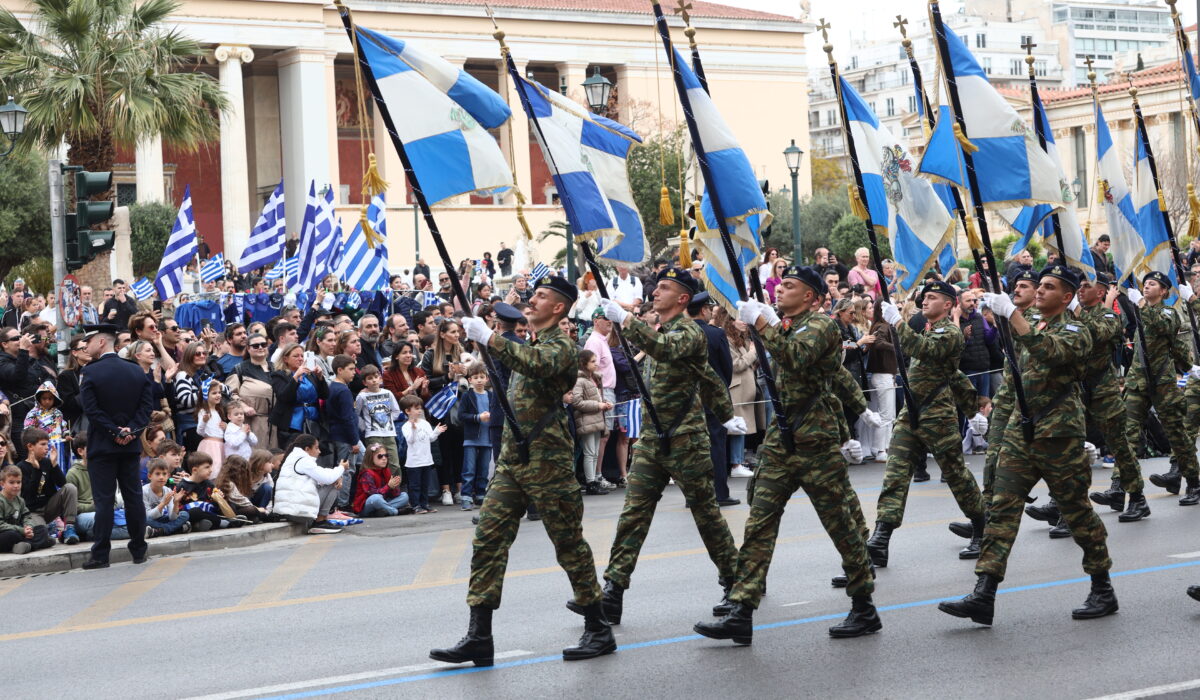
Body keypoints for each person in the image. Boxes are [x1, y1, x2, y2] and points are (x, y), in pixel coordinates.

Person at [697, 266, 883, 645]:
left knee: (840, 524)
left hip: (815, 441)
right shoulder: (787, 326)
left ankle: (864, 605)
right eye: (780, 285)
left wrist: (761, 324)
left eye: (789, 286)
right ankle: (742, 609)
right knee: (759, 523)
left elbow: (797, 357)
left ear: (811, 296)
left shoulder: (822, 326)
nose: (780, 290)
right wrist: (767, 324)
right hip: (782, 442)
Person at [435, 275, 614, 666]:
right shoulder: (529, 343)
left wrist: (491, 338)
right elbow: (519, 361)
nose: (532, 301)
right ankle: (479, 637)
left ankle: (599, 628)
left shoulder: (562, 347)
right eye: (533, 295)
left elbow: (537, 364)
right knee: (488, 539)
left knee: (568, 543)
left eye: (541, 296)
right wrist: (486, 342)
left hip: (548, 460)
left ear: (559, 308)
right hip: (514, 459)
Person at [941, 266, 1116, 625]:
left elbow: (1049, 352)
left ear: (1066, 297)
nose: (1040, 291)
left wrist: (1012, 314)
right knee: (1001, 510)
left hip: (1058, 434)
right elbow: (1014, 355)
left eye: (1049, 287)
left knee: (1077, 512)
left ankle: (1102, 587)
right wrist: (1003, 314)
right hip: (1022, 432)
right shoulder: (1032, 321)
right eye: (1041, 285)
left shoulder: (1076, 330)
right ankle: (984, 593)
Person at [593, 269, 744, 625]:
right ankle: (612, 592)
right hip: (652, 441)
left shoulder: (689, 333)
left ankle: (735, 583)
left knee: (706, 516)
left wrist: (625, 320)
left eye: (664, 288)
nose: (655, 292)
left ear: (682, 299)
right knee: (633, 516)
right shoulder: (659, 332)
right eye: (656, 286)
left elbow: (666, 351)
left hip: (685, 441)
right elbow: (707, 377)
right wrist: (725, 414)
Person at [867, 281, 986, 566]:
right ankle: (881, 539)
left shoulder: (950, 333)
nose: (924, 301)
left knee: (955, 474)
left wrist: (898, 323)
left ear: (948, 305)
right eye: (924, 297)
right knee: (895, 475)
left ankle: (982, 528)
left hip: (938, 416)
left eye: (932, 297)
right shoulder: (928, 330)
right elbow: (954, 375)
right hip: (911, 414)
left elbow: (923, 350)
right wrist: (972, 410)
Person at [78, 323, 154, 569]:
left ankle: (101, 554)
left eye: (89, 341)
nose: (85, 346)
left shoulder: (90, 372)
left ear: (101, 342)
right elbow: (146, 408)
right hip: (129, 446)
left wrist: (113, 431)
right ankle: (139, 549)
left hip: (103, 446)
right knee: (133, 498)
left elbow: (91, 410)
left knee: (104, 501)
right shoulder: (135, 370)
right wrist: (130, 431)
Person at [1075, 273, 1150, 522]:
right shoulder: (1071, 316)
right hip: (1077, 392)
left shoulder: (1107, 316)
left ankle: (1137, 498)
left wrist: (1076, 312)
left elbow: (1099, 333)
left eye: (1086, 286)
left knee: (1120, 447)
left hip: (1103, 392)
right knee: (1068, 450)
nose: (1080, 290)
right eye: (1078, 286)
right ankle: (1063, 508)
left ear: (1100, 293)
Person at [689, 293, 739, 506]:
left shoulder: (679, 334)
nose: (710, 312)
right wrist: (720, 390)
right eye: (709, 308)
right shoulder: (715, 333)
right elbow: (727, 368)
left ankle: (694, 495)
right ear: (703, 310)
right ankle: (719, 493)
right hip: (714, 398)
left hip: (689, 399)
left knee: (692, 447)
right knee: (716, 445)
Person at [421, 320, 466, 506]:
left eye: (457, 332)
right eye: (452, 332)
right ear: (442, 334)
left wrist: (465, 372)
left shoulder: (461, 353)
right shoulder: (431, 355)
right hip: (440, 406)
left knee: (460, 448)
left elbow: (474, 376)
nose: (456, 335)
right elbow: (425, 381)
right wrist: (447, 377)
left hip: (459, 404)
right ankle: (446, 488)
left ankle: (460, 488)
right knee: (444, 449)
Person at [17, 427, 79, 544]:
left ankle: (69, 528)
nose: (47, 447)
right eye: (43, 444)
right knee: (42, 534)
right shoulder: (21, 467)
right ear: (30, 446)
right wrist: (36, 470)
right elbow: (29, 497)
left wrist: (54, 464)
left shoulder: (47, 462)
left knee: (70, 488)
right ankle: (53, 534)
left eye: (47, 444)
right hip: (32, 512)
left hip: (49, 507)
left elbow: (62, 484)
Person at [274, 435, 345, 533]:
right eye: (316, 448)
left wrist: (337, 476)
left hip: (290, 510)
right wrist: (341, 468)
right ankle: (320, 521)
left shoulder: (295, 458)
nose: (319, 451)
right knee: (332, 483)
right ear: (307, 449)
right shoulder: (303, 460)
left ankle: (321, 520)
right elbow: (327, 478)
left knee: (334, 479)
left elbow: (322, 477)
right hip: (298, 512)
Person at [270, 342, 328, 450]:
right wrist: (296, 377)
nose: (300, 359)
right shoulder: (279, 375)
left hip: (313, 421)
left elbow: (325, 395)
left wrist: (320, 377)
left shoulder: (309, 374)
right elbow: (284, 397)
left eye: (302, 356)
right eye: (296, 356)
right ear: (285, 359)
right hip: (292, 423)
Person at [569, 350, 610, 495]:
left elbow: (596, 398)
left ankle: (593, 481)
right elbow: (577, 402)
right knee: (590, 452)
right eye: (592, 361)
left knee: (594, 453)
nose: (596, 363)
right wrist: (598, 405)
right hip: (586, 420)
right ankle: (590, 482)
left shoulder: (594, 378)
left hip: (596, 419)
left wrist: (604, 403)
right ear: (583, 363)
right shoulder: (579, 380)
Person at [458, 363, 496, 510]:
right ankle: (466, 497)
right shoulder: (467, 396)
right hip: (471, 439)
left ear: (487, 379)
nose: (479, 380)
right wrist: (478, 417)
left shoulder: (491, 395)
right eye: (475, 377)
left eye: (481, 377)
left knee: (484, 470)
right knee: (469, 470)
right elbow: (461, 415)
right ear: (470, 380)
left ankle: (480, 495)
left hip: (488, 439)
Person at [326, 354, 362, 510]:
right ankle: (342, 505)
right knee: (346, 470)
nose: (354, 372)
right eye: (351, 369)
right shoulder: (343, 390)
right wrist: (354, 441)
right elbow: (347, 418)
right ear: (340, 370)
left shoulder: (332, 387)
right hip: (345, 436)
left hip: (337, 434)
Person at [863, 299, 896, 462]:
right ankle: (881, 450)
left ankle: (884, 448)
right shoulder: (882, 326)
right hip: (883, 374)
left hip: (884, 374)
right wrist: (896, 347)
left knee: (888, 415)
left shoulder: (880, 325)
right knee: (886, 415)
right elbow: (879, 343)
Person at [401, 394, 444, 513]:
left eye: (420, 408)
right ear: (407, 411)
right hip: (414, 462)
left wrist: (437, 431)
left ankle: (425, 504)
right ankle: (415, 505)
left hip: (426, 460)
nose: (419, 411)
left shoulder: (425, 423)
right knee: (415, 485)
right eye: (416, 408)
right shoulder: (406, 426)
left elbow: (431, 438)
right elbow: (410, 440)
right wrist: (413, 429)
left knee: (425, 484)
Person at [726, 318, 757, 478]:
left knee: (742, 426)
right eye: (740, 319)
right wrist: (752, 353)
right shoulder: (727, 340)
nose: (744, 322)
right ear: (731, 321)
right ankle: (736, 463)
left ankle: (738, 461)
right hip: (737, 389)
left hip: (745, 389)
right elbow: (736, 365)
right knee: (738, 426)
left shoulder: (741, 338)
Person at [355, 365, 401, 473]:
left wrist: (387, 421)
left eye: (376, 377)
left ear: (380, 378)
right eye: (370, 378)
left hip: (389, 434)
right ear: (364, 382)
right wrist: (364, 426)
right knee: (377, 464)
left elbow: (396, 411)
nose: (374, 380)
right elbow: (355, 414)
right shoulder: (362, 396)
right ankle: (379, 484)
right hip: (373, 435)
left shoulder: (388, 393)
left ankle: (395, 484)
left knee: (394, 464)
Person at [0, 464, 55, 554]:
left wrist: (28, 527)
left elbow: (27, 516)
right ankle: (39, 543)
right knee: (12, 535)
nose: (16, 485)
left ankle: (24, 546)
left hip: (20, 533)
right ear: (2, 484)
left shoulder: (20, 501)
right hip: (6, 534)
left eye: (18, 482)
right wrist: (22, 531)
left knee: (42, 529)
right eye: (11, 482)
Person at [354, 442, 411, 516]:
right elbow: (372, 493)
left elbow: (393, 495)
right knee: (376, 498)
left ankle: (382, 511)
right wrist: (388, 486)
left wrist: (394, 487)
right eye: (380, 456)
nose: (384, 458)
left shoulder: (386, 471)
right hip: (366, 505)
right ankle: (395, 511)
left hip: (383, 501)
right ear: (371, 458)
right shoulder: (367, 474)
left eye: (386, 455)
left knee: (404, 496)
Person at [142, 458, 191, 536]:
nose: (161, 477)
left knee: (184, 514)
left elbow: (172, 518)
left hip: (162, 519)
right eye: (157, 474)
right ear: (150, 476)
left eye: (164, 474)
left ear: (168, 476)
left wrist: (176, 503)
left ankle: (159, 531)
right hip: (150, 520)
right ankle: (177, 529)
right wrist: (163, 503)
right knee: (144, 519)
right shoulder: (144, 491)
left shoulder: (168, 490)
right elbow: (148, 516)